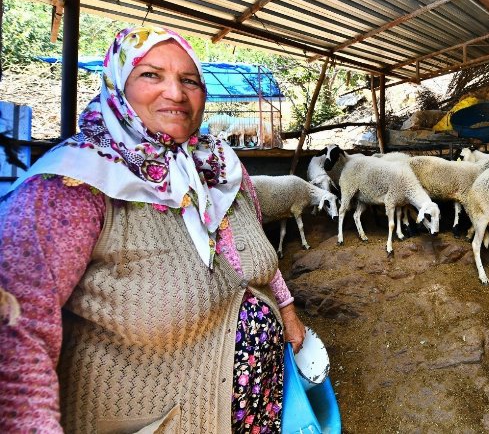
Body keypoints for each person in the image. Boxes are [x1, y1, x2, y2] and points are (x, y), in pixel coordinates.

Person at [0, 26, 306, 433]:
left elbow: (254, 254)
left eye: (189, 80)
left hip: (256, 403)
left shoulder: (218, 165)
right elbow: (17, 332)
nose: (175, 93)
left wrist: (285, 310)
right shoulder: (70, 184)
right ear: (117, 84)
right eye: (151, 75)